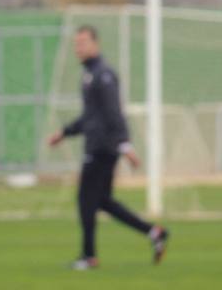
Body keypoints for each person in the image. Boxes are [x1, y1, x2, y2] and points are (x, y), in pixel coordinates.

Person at [47, 24, 169, 270]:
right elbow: (90, 117)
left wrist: (125, 145)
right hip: (98, 144)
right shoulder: (89, 74)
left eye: (82, 43)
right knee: (102, 201)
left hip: (103, 148)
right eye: (76, 43)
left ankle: (89, 256)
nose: (78, 48)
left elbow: (114, 114)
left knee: (85, 201)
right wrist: (65, 132)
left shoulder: (103, 75)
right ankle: (154, 233)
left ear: (95, 44)